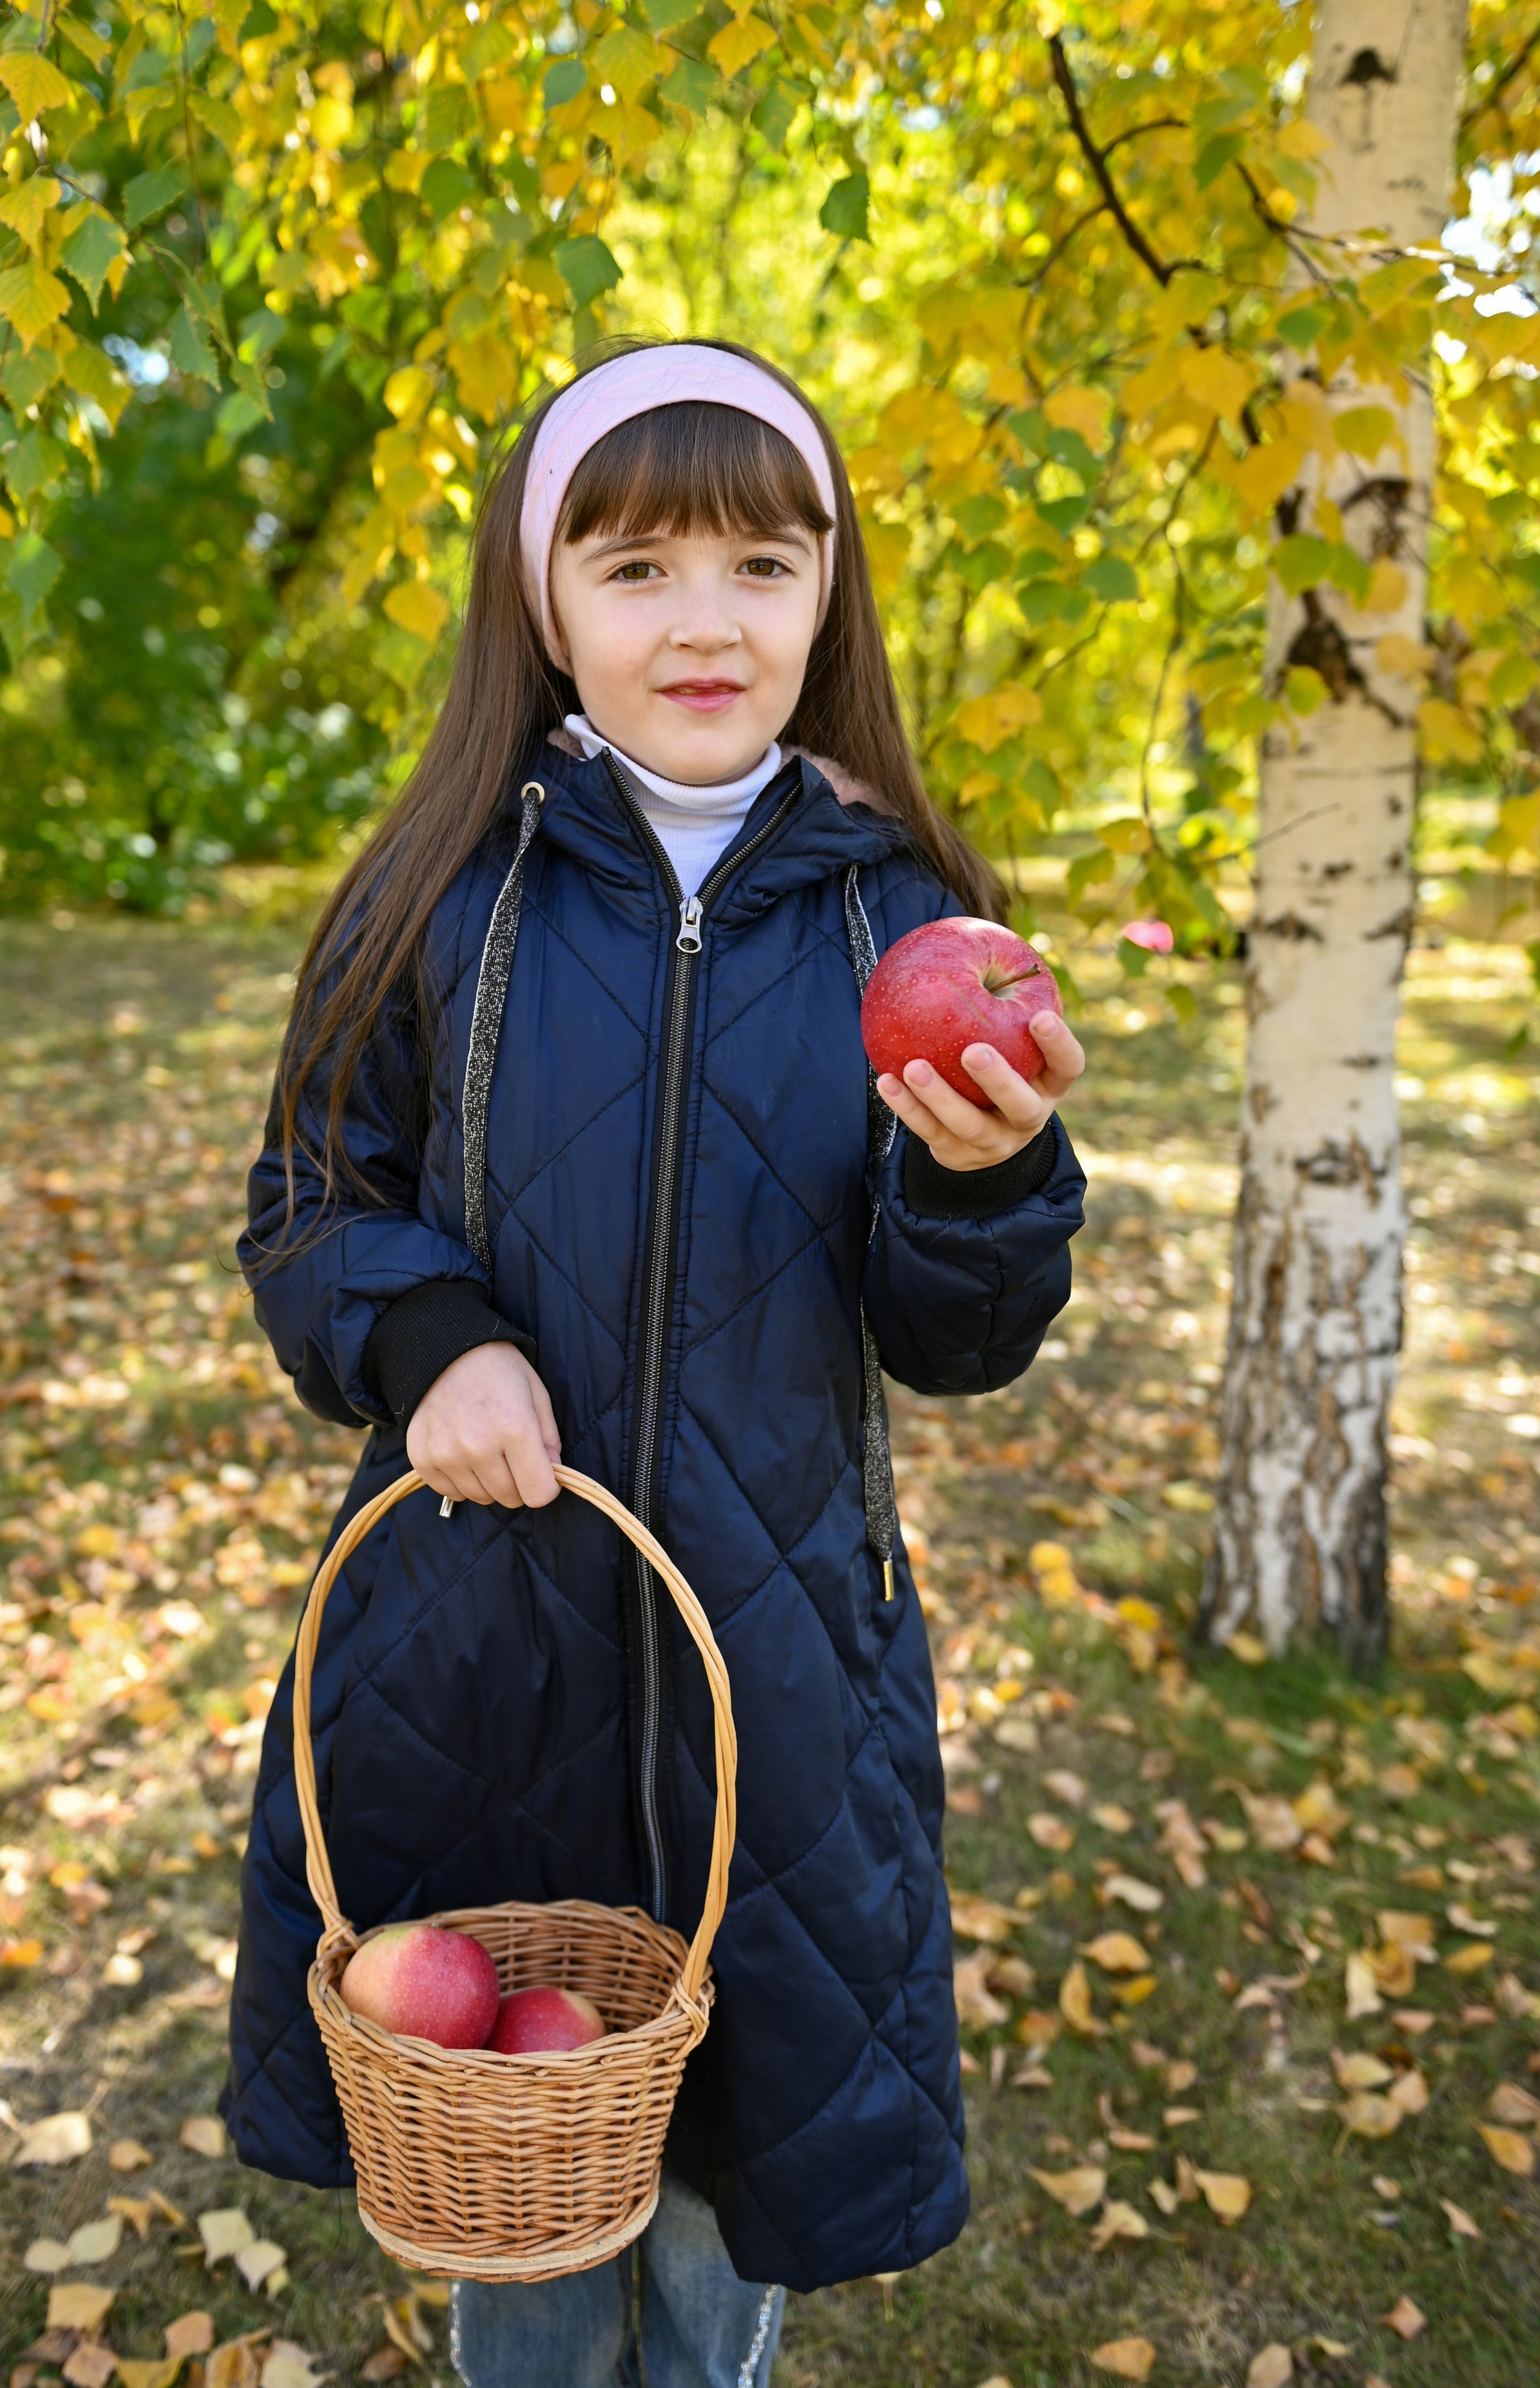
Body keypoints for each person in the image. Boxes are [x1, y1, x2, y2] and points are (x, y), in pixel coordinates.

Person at [229, 339, 1087, 2388]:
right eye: (635, 566)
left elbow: (959, 1339)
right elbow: (306, 1197)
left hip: (776, 1661)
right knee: (518, 2177)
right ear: (546, 604)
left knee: (725, 2182)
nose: (704, 619)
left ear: (827, 593)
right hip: (476, 1646)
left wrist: (988, 1187)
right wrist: (426, 1336)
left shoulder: (908, 911)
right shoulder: (444, 892)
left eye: (760, 565)